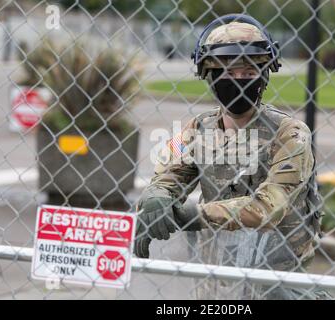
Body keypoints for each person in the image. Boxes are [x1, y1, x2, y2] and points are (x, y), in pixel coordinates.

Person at [134, 14, 323, 299]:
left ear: (264, 74)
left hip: (275, 279)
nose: (238, 80)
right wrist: (156, 197)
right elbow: (168, 174)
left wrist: (190, 215)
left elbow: (268, 207)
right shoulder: (196, 128)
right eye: (226, 71)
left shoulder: (291, 133)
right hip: (217, 279)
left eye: (248, 72)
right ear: (209, 76)